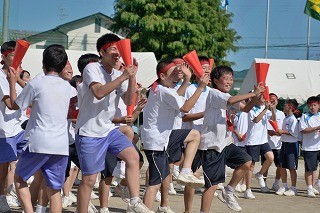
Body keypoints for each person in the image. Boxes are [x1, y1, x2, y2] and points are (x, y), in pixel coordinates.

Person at [74, 33, 152, 213]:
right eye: (113, 51)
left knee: (133, 157)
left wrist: (132, 77)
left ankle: (134, 201)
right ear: (102, 52)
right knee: (89, 180)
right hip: (89, 132)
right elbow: (99, 92)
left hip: (109, 129)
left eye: (119, 51)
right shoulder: (92, 68)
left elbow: (128, 100)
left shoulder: (119, 74)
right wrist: (124, 76)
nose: (117, 55)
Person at [8, 44, 72, 213]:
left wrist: (12, 82)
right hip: (60, 145)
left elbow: (16, 105)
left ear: (43, 63)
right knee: (54, 190)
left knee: (19, 178)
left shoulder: (36, 83)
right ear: (64, 64)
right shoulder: (68, 87)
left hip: (39, 142)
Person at [141, 59, 209, 212]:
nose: (178, 70)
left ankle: (184, 172)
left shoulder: (161, 88)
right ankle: (147, 208)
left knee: (194, 136)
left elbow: (177, 96)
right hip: (157, 141)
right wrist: (200, 87)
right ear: (163, 75)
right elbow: (185, 107)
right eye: (174, 70)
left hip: (164, 137)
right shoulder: (164, 90)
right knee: (154, 184)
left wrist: (186, 79)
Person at [199, 65, 264, 212]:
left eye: (231, 79)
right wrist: (253, 93)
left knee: (246, 161)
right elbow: (231, 100)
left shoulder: (227, 96)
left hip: (226, 143)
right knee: (212, 184)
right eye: (225, 78)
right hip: (211, 145)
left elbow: (246, 109)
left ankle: (228, 191)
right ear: (215, 81)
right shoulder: (214, 93)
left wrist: (256, 98)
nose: (229, 82)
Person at [0, 40, 26, 212]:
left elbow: (33, 97)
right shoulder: (1, 77)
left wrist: (18, 79)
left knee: (27, 163)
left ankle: (23, 199)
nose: (17, 61)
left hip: (20, 129)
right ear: (3, 57)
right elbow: (11, 104)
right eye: (12, 57)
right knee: (2, 171)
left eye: (19, 58)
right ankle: (2, 198)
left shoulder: (17, 75)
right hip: (4, 130)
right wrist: (12, 80)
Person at [244, 94, 275, 199]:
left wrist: (273, 109)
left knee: (270, 158)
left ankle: (260, 174)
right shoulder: (250, 108)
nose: (264, 98)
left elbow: (273, 119)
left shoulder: (264, 107)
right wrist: (266, 109)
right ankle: (248, 189)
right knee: (251, 166)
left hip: (263, 140)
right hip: (252, 141)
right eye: (262, 97)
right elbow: (256, 120)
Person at [275, 99, 300, 196]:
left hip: (292, 145)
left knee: (292, 167)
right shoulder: (286, 118)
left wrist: (282, 131)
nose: (283, 106)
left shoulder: (293, 119)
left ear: (290, 107)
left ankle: (293, 188)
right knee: (282, 166)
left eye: (285, 105)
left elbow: (294, 133)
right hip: (284, 144)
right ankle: (284, 185)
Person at [263, 93, 285, 192]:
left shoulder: (281, 113)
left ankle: (276, 183)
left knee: (280, 166)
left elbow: (282, 127)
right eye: (270, 99)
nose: (272, 100)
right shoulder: (265, 112)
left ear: (277, 101)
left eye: (274, 99)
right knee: (266, 165)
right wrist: (269, 132)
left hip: (278, 144)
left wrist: (281, 132)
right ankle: (263, 184)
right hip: (267, 143)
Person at [299, 96, 320, 198]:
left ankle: (317, 183)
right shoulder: (304, 116)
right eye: (310, 105)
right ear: (308, 106)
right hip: (309, 147)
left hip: (319, 146)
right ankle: (309, 188)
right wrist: (316, 128)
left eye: (314, 105)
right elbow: (303, 130)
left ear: (318, 105)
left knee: (315, 168)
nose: (312, 107)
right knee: (310, 169)